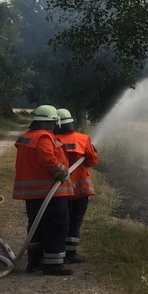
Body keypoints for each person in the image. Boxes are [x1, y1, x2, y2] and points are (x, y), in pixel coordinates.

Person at [13, 105, 74, 275]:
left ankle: (34, 262)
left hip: (33, 193)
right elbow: (47, 158)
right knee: (57, 224)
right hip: (50, 192)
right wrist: (62, 173)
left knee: (36, 226)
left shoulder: (27, 136)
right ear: (54, 121)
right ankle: (53, 264)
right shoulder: (44, 137)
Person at [54, 108, 99, 264]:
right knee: (75, 220)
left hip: (58, 190)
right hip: (80, 189)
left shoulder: (50, 139)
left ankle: (55, 249)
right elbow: (92, 161)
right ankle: (71, 253)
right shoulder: (82, 138)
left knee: (59, 220)